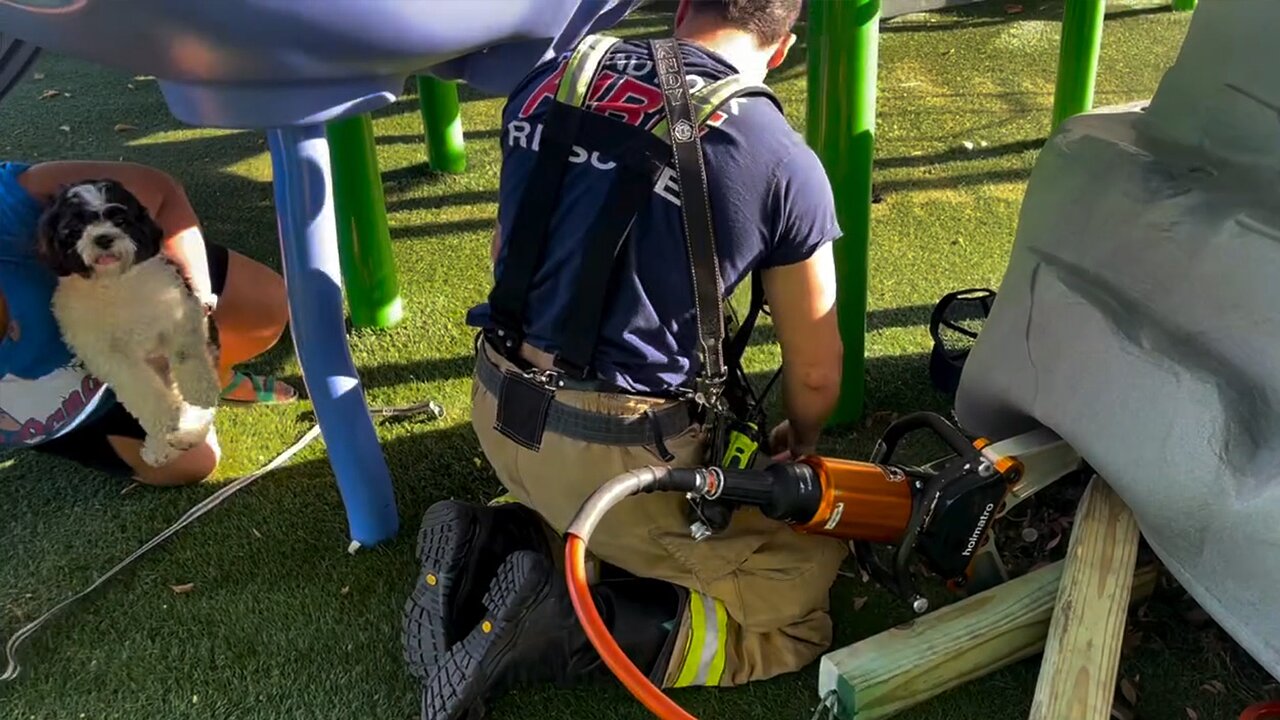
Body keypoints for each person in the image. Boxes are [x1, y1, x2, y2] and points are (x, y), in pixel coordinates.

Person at [401, 1, 848, 716]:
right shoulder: (781, 157)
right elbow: (818, 370)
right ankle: (556, 628)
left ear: (679, 10)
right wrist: (806, 438)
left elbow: (506, 249)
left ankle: (498, 536)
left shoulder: (555, 77)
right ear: (784, 47)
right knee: (800, 594)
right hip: (614, 459)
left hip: (497, 405)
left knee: (597, 507)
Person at [0, 159, 297, 486]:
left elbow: (160, 191)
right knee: (191, 462)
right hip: (67, 410)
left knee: (264, 307)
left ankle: (212, 373)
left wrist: (196, 307)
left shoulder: (11, 205)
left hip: (129, 297)